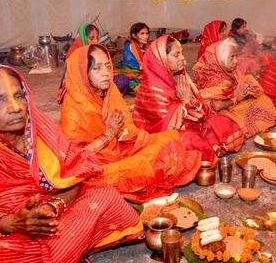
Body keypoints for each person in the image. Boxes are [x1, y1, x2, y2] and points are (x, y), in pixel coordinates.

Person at [0, 65, 144, 263]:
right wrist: (12, 223)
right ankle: (61, 249)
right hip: (5, 234)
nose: (15, 108)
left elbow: (75, 173)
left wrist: (52, 208)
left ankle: (50, 251)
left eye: (19, 96)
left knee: (105, 195)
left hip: (50, 213)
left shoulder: (38, 126)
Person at [59, 44, 202, 203]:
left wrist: (121, 136)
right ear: (83, 74)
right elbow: (74, 161)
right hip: (96, 167)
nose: (106, 74)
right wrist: (108, 135)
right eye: (97, 68)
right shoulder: (74, 110)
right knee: (139, 165)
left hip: (120, 148)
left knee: (170, 139)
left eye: (108, 66)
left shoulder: (109, 92)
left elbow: (128, 130)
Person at [133, 35, 245, 165]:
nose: (182, 58)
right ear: (161, 59)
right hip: (161, 136)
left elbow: (202, 108)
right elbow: (166, 128)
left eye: (181, 53)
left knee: (223, 122)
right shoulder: (152, 90)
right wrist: (185, 102)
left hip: (186, 124)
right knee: (192, 142)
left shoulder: (177, 77)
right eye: (176, 55)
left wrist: (190, 102)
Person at [192, 37, 276, 138]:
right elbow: (216, 106)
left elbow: (243, 83)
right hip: (219, 112)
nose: (236, 61)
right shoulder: (212, 76)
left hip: (232, 103)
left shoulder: (230, 71)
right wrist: (236, 98)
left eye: (236, 56)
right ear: (219, 60)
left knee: (264, 100)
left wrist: (247, 89)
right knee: (225, 122)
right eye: (231, 57)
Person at [114, 22, 151, 95]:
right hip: (130, 71)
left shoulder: (147, 46)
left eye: (147, 33)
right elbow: (131, 65)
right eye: (142, 33)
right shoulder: (129, 46)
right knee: (135, 85)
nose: (146, 36)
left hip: (142, 71)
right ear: (134, 35)